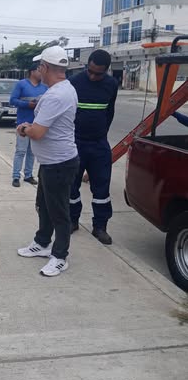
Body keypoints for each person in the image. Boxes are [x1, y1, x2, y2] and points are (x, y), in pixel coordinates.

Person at [17, 46, 79, 277]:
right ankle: (42, 243)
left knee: (59, 212)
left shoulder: (55, 95)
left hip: (59, 163)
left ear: (44, 67)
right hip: (51, 162)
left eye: (39, 66)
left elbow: (38, 132)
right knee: (44, 206)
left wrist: (24, 128)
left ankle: (60, 256)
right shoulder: (64, 88)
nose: (38, 70)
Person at [69, 49, 118, 245]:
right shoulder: (74, 82)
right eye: (90, 71)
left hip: (99, 144)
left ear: (106, 70)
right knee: (71, 185)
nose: (92, 76)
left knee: (102, 188)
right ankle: (72, 220)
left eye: (98, 74)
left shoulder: (111, 85)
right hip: (75, 143)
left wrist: (101, 134)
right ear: (86, 65)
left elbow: (110, 113)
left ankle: (100, 226)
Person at [9, 62, 47, 187]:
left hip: (37, 124)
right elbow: (12, 100)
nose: (41, 73)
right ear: (32, 72)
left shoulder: (44, 87)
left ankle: (28, 175)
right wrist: (27, 104)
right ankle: (16, 176)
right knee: (21, 151)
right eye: (39, 70)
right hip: (23, 123)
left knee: (32, 152)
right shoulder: (21, 84)